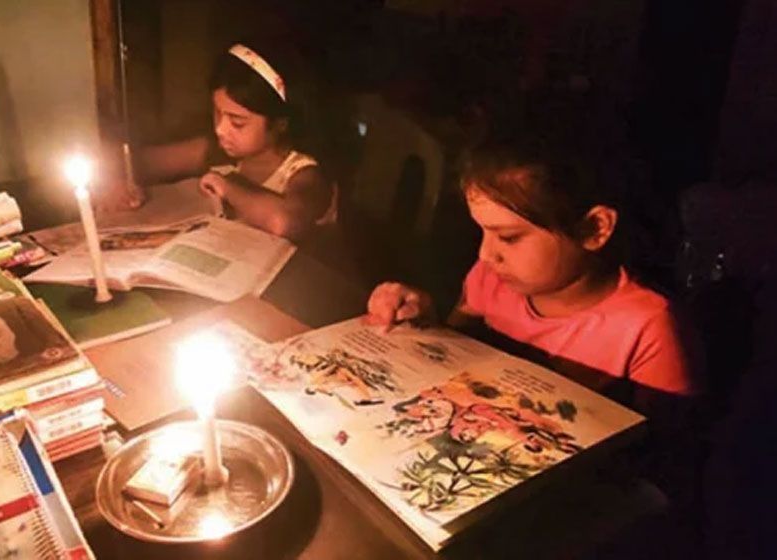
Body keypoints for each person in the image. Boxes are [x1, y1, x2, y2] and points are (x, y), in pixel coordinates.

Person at [365, 136, 701, 414]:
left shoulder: (648, 327)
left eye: (509, 237)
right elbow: (455, 353)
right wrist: (421, 323)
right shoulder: (491, 279)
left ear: (594, 228)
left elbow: (668, 452)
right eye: (482, 232)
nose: (485, 254)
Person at [111, 42, 335, 241]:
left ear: (280, 123)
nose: (220, 129)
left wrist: (228, 188)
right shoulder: (215, 152)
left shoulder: (304, 174)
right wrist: (115, 181)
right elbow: (137, 163)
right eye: (217, 113)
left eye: (237, 122)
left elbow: (285, 222)